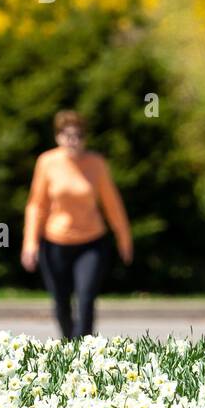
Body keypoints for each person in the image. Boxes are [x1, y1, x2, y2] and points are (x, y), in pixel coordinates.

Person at [20, 110, 133, 339]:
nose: (73, 140)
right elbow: (36, 206)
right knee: (61, 302)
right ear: (58, 137)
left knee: (86, 297)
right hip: (55, 243)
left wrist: (124, 239)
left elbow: (112, 205)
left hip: (91, 242)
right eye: (67, 134)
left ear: (85, 138)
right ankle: (68, 347)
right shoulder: (47, 162)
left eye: (78, 135)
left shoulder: (96, 164)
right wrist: (30, 243)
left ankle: (84, 351)